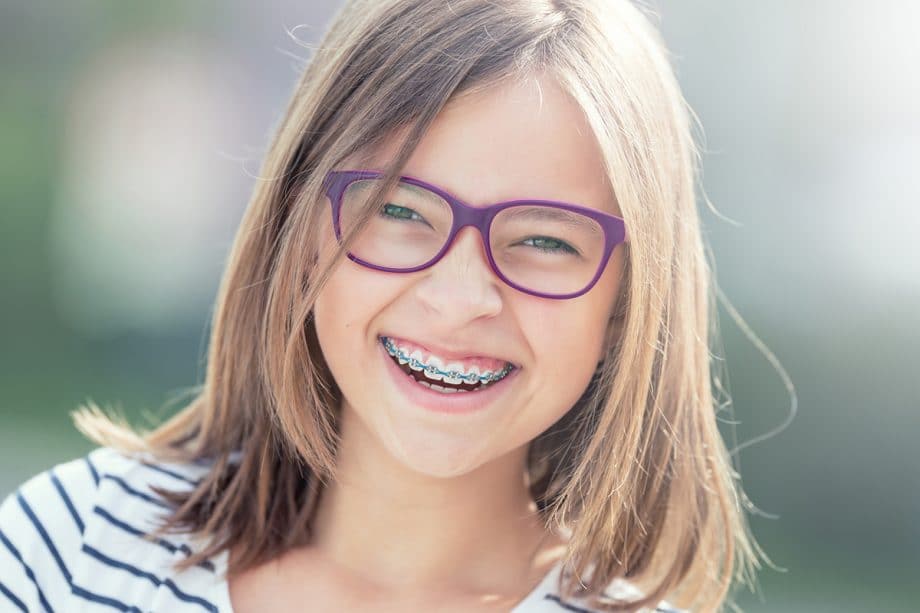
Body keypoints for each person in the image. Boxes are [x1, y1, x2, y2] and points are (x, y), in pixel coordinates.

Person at [0, 0, 768, 611]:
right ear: (298, 230)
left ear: (626, 302)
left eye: (544, 241)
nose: (462, 297)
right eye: (400, 213)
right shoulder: (69, 547)